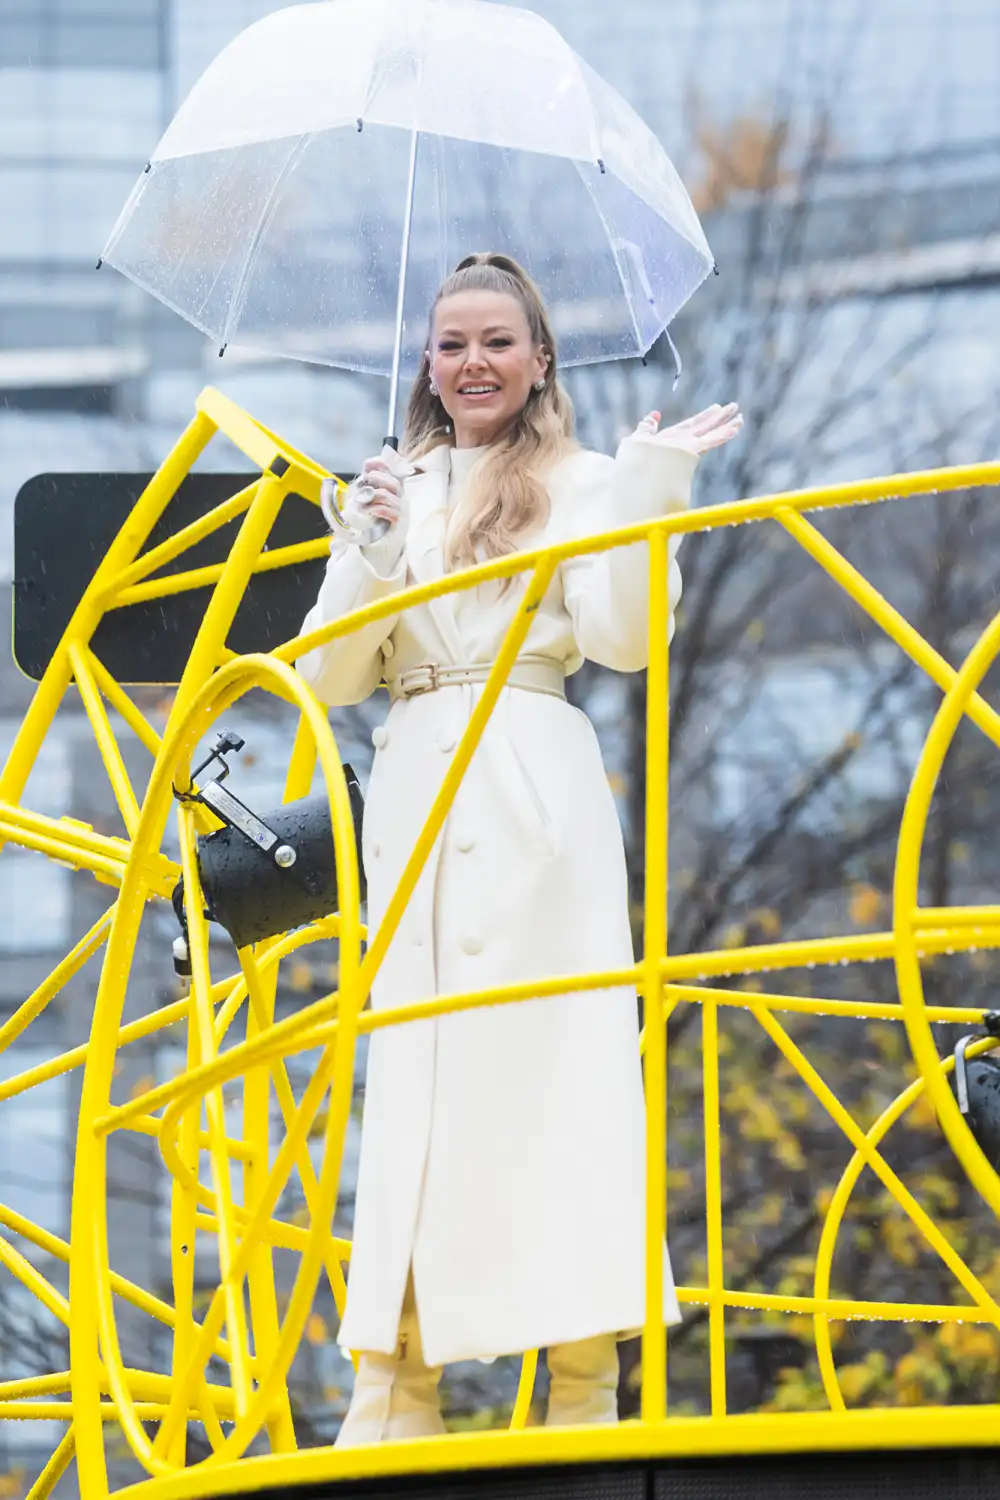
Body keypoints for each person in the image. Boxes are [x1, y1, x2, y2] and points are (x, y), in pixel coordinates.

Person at [296, 252, 742, 1444]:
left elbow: (624, 638)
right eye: (451, 343)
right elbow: (330, 678)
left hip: (534, 789)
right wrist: (370, 546)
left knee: (563, 1075)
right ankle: (394, 1385)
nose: (473, 363)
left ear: (539, 358)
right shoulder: (392, 487)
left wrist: (651, 486)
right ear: (427, 363)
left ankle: (582, 1385)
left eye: (497, 340)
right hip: (418, 787)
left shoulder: (589, 478)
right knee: (417, 1082)